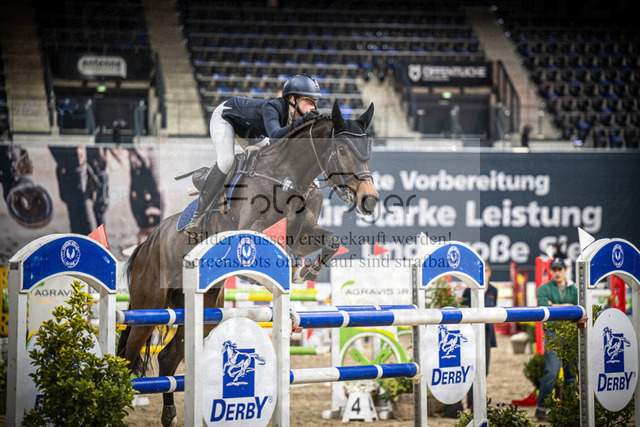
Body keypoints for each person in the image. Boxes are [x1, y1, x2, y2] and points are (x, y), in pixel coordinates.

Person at [183, 73, 322, 234]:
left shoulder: (295, 117)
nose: (313, 107)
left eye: (315, 101)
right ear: (292, 99)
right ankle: (197, 215)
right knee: (226, 161)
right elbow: (275, 136)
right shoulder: (273, 107)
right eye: (308, 101)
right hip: (226, 118)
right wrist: (303, 121)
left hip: (249, 130)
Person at [443, 262, 498, 417]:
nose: (483, 274)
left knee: (484, 369)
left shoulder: (493, 290)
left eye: (485, 271)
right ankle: (464, 404)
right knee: (469, 367)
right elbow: (464, 311)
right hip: (470, 334)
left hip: (486, 332)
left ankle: (474, 404)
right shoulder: (468, 291)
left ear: (490, 273)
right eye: (480, 271)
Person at [535, 257, 577, 421]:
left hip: (571, 332)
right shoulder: (543, 288)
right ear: (551, 271)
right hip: (553, 333)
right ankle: (541, 408)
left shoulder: (574, 288)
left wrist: (554, 306)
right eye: (554, 269)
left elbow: (579, 308)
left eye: (560, 269)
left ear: (565, 270)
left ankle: (568, 409)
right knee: (551, 371)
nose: (557, 272)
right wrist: (568, 307)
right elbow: (544, 310)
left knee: (571, 374)